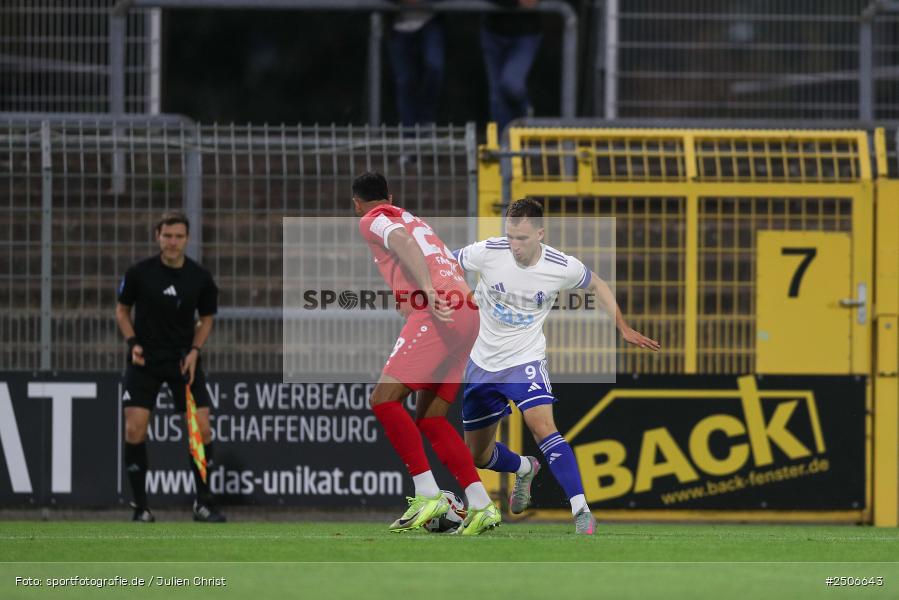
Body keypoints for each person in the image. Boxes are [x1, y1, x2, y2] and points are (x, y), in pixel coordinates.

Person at [453, 198, 660, 534]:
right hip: (482, 364)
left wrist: (622, 327)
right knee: (477, 456)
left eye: (522, 238)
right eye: (510, 237)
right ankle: (524, 467)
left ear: (540, 234)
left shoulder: (559, 266)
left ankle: (581, 511)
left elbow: (597, 284)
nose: (514, 245)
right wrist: (453, 295)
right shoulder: (488, 251)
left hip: (525, 360)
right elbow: (445, 262)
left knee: (543, 426)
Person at [353, 171, 500, 535]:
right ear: (390, 195)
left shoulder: (373, 219)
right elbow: (436, 256)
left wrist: (427, 291)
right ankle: (481, 504)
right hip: (467, 311)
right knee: (432, 420)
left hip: (438, 310)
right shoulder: (414, 218)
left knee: (383, 400)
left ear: (357, 203)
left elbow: (402, 242)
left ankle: (428, 494)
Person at [115, 212, 226, 523]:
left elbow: (207, 319)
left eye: (178, 236)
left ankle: (203, 503)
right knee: (134, 428)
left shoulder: (200, 277)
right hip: (145, 361)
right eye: (167, 236)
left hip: (182, 361)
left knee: (201, 428)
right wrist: (133, 343)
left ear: (187, 239)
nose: (173, 242)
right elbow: (122, 311)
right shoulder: (139, 273)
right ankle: (141, 507)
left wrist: (194, 351)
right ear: (157, 237)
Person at [481, 0, 543, 131]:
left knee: (512, 85)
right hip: (492, 32)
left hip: (526, 33)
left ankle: (525, 117)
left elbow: (530, 2)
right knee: (497, 98)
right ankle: (504, 141)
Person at [388, 0, 445, 129]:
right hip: (398, 24)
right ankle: (409, 133)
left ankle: (426, 120)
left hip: (430, 20)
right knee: (405, 81)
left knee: (434, 67)